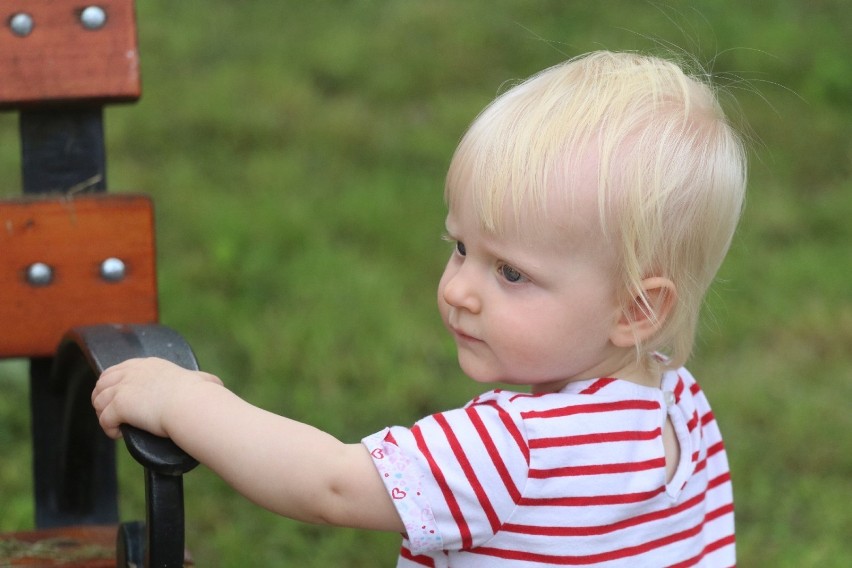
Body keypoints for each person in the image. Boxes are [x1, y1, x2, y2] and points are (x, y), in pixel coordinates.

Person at [93, 50, 745, 566]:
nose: (460, 288)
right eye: (461, 247)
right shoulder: (681, 410)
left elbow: (329, 485)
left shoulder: (514, 447)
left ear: (634, 309)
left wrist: (183, 402)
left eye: (511, 272)